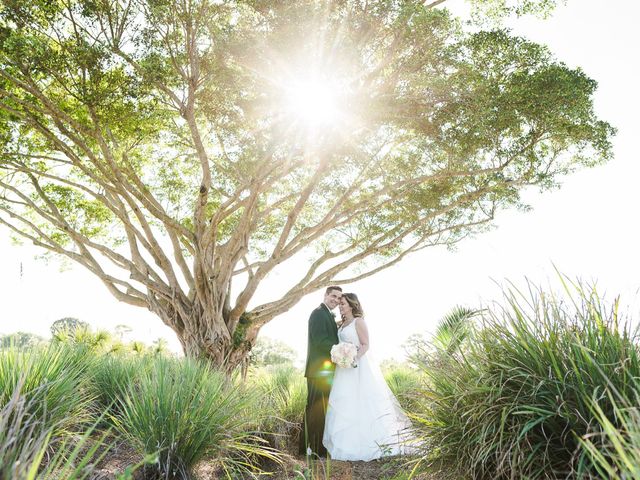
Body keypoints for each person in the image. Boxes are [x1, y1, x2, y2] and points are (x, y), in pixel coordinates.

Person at [323, 293, 413, 461]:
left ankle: (370, 442)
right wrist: (341, 356)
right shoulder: (341, 325)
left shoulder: (359, 322)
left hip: (357, 367)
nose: (340, 305)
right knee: (345, 402)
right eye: (340, 303)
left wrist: (353, 357)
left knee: (362, 401)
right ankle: (345, 444)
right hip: (343, 370)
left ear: (352, 305)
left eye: (343, 303)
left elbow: (365, 345)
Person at [299, 285, 342, 457]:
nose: (336, 300)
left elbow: (327, 335)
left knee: (320, 409)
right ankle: (312, 449)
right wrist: (341, 350)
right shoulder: (318, 313)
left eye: (339, 298)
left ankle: (315, 447)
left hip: (324, 371)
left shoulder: (327, 315)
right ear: (325, 295)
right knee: (315, 409)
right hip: (318, 371)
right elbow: (320, 341)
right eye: (333, 296)